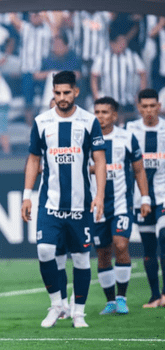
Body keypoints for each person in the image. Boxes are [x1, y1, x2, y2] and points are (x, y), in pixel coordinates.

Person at [21, 71, 106, 329]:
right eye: (57, 93)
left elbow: (100, 160)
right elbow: (34, 160)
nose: (61, 98)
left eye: (66, 93)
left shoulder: (89, 122)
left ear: (76, 92)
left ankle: (78, 312)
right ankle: (57, 305)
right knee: (45, 251)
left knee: (80, 259)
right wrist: (27, 195)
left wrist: (100, 195)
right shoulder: (41, 121)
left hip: (81, 204)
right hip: (50, 202)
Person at [91, 97, 151, 315]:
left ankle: (121, 297)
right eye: (97, 111)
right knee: (103, 253)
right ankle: (110, 301)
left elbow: (138, 170)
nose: (100, 116)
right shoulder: (87, 139)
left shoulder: (127, 138)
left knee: (121, 245)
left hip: (121, 204)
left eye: (105, 112)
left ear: (115, 116)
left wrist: (145, 198)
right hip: (96, 205)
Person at [125, 88, 165, 307]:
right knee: (149, 247)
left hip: (164, 195)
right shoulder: (130, 131)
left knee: (164, 237)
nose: (149, 110)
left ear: (159, 106)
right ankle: (155, 295)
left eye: (153, 106)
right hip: (141, 198)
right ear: (139, 108)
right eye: (145, 106)